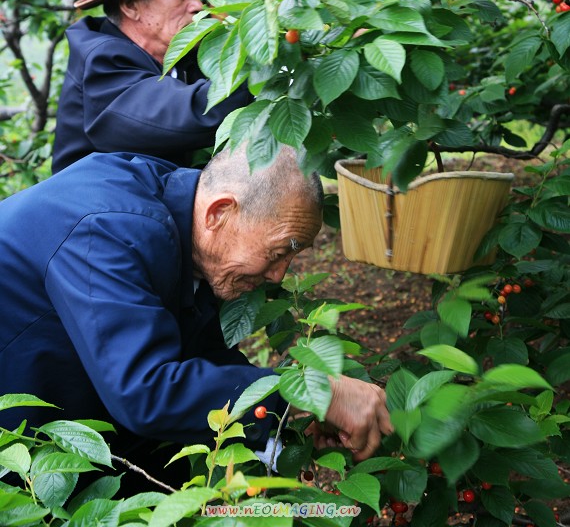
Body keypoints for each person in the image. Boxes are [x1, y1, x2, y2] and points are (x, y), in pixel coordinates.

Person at [0, 146, 392, 492]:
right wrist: (313, 390)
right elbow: (145, 392)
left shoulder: (186, 227)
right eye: (278, 252)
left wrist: (287, 412)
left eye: (293, 257)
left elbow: (194, 356)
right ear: (220, 212)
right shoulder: (107, 229)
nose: (279, 275)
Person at [51, 0, 250, 173]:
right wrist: (261, 72)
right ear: (131, 5)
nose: (197, 4)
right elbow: (191, 113)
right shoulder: (103, 63)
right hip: (102, 211)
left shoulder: (180, 56)